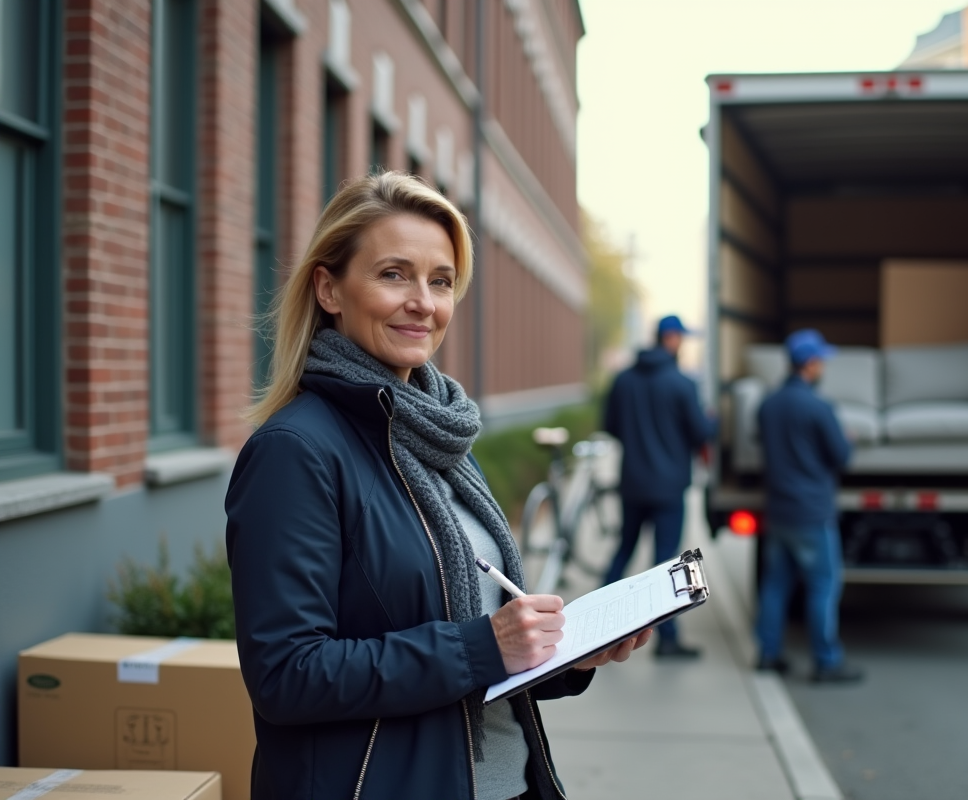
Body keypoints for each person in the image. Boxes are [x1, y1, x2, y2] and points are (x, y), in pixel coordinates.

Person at [225, 172, 651, 800]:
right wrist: (485, 646)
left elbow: (477, 637)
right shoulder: (296, 453)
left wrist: (564, 651)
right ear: (329, 289)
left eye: (442, 280)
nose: (423, 302)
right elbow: (288, 675)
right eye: (393, 274)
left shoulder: (441, 436)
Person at [754, 329, 863, 683]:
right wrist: (848, 439)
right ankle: (826, 661)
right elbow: (841, 456)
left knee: (775, 585)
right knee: (822, 586)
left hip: (779, 511)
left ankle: (768, 654)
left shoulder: (768, 405)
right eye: (821, 361)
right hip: (812, 513)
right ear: (811, 364)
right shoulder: (820, 407)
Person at [602, 314, 714, 659]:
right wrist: (714, 422)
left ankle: (598, 626)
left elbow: (611, 426)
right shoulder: (682, 383)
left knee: (624, 550)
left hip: (633, 483)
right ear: (674, 339)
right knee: (666, 562)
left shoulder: (623, 380)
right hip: (668, 489)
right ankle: (667, 639)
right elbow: (701, 433)